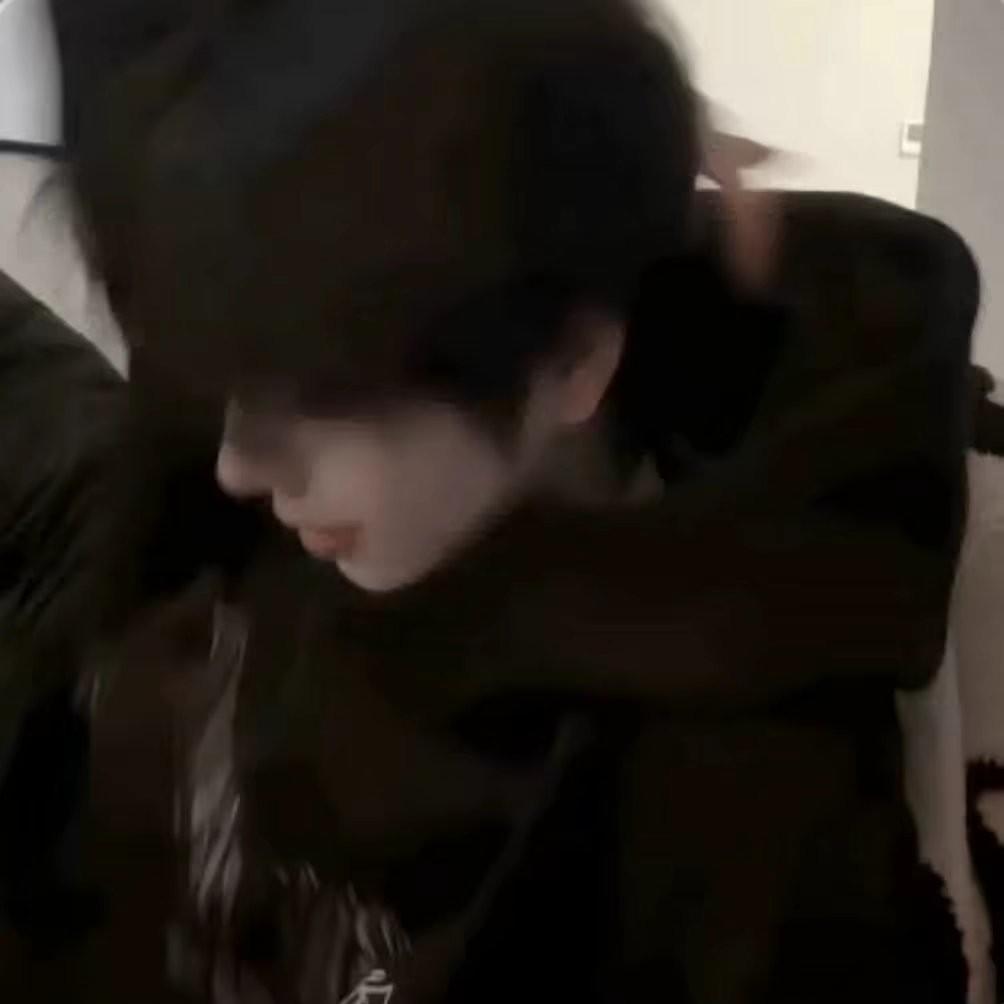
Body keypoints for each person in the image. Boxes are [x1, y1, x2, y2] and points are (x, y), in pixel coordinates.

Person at [0, 0, 981, 1000]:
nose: (239, 463)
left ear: (573, 360)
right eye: (226, 385)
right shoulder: (295, 390)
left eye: (319, 397)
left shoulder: (734, 824)